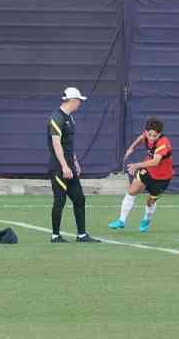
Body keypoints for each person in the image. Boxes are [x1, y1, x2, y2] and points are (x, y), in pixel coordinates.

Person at [47, 87, 99, 243]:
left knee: (79, 199)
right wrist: (64, 166)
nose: (80, 104)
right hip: (59, 167)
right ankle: (55, 236)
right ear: (73, 100)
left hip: (69, 166)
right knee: (60, 200)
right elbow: (57, 144)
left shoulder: (69, 118)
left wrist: (74, 162)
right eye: (79, 101)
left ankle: (82, 235)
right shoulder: (56, 118)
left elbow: (68, 143)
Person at [108, 117, 174, 233]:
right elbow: (141, 138)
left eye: (155, 136)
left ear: (160, 134)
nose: (152, 138)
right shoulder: (146, 135)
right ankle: (121, 220)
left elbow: (155, 162)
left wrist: (136, 165)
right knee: (132, 191)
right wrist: (131, 148)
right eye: (150, 135)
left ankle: (146, 219)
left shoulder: (164, 143)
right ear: (146, 131)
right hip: (148, 170)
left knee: (150, 201)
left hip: (162, 177)